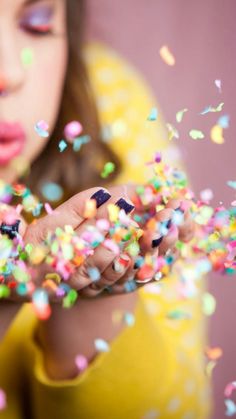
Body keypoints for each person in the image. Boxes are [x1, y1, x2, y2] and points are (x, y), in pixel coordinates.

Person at [0, 0, 212, 418]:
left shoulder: (106, 103)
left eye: (37, 24)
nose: (9, 72)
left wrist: (95, 307)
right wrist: (8, 287)